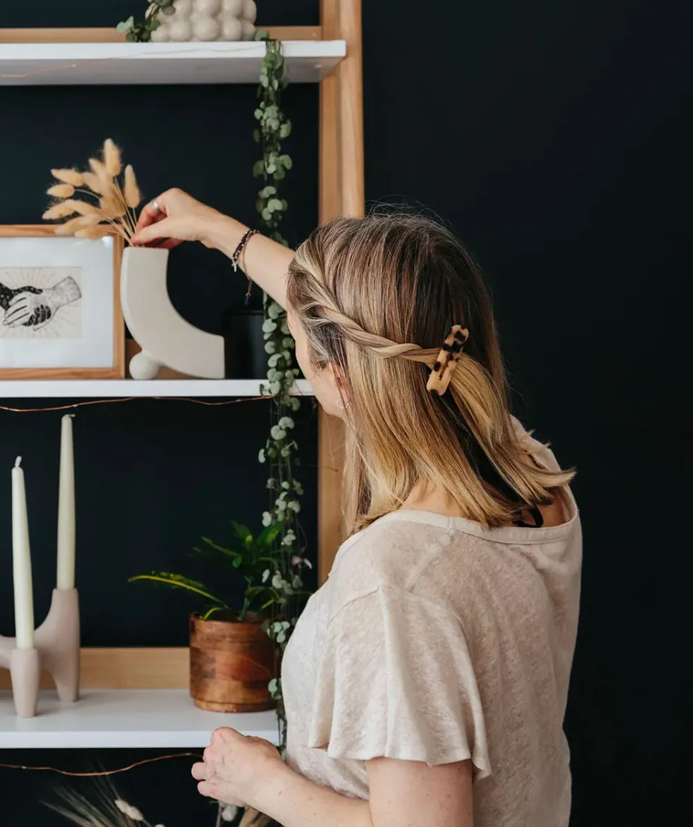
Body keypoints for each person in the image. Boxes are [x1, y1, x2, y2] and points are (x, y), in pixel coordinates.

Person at [134, 190, 579, 827]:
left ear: (338, 376)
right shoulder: (527, 471)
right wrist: (219, 231)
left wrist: (261, 782)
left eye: (299, 343)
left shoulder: (394, 579)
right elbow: (351, 322)